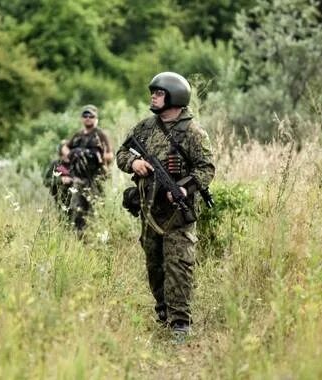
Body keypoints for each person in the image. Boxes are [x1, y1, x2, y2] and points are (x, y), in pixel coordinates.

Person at [116, 72, 215, 341]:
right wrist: (133, 164)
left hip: (177, 213)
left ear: (174, 97)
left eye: (159, 93)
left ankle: (180, 323)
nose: (153, 97)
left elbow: (206, 169)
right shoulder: (145, 128)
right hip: (150, 211)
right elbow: (122, 153)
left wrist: (184, 187)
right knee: (155, 265)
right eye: (153, 93)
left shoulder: (193, 133)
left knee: (179, 265)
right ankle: (163, 313)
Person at [65, 105, 113, 232]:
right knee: (77, 210)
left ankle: (96, 237)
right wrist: (73, 154)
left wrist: (97, 156)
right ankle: (79, 239)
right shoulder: (77, 135)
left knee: (96, 210)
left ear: (96, 118)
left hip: (95, 178)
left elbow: (110, 155)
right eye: (85, 116)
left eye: (91, 116)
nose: (88, 118)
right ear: (81, 118)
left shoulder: (100, 134)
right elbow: (64, 148)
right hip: (79, 178)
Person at [43, 140, 73, 212]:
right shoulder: (55, 164)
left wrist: (72, 180)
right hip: (60, 202)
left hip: (75, 201)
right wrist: (61, 180)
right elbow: (46, 182)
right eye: (65, 148)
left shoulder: (76, 163)